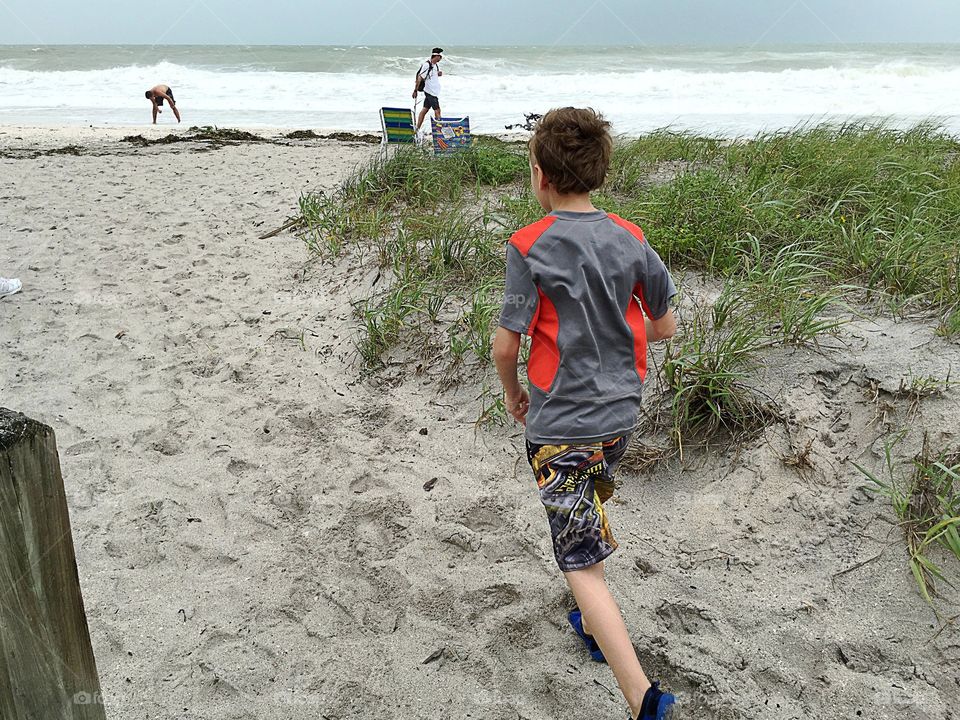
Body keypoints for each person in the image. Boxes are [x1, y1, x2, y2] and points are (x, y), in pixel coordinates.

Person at [493, 107, 679, 720]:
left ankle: (643, 698)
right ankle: (590, 624)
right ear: (597, 172)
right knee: (583, 514)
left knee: (582, 563)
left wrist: (512, 395)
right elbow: (664, 326)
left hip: (559, 427)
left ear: (541, 175)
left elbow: (506, 344)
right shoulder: (630, 237)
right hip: (619, 417)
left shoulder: (529, 245)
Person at [412, 48, 443, 133]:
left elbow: (431, 76)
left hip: (434, 91)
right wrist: (415, 90)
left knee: (424, 110)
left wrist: (438, 74)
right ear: (436, 56)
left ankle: (417, 129)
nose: (441, 58)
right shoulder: (426, 65)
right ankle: (439, 131)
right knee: (437, 110)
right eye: (440, 56)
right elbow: (420, 77)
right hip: (430, 92)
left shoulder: (435, 65)